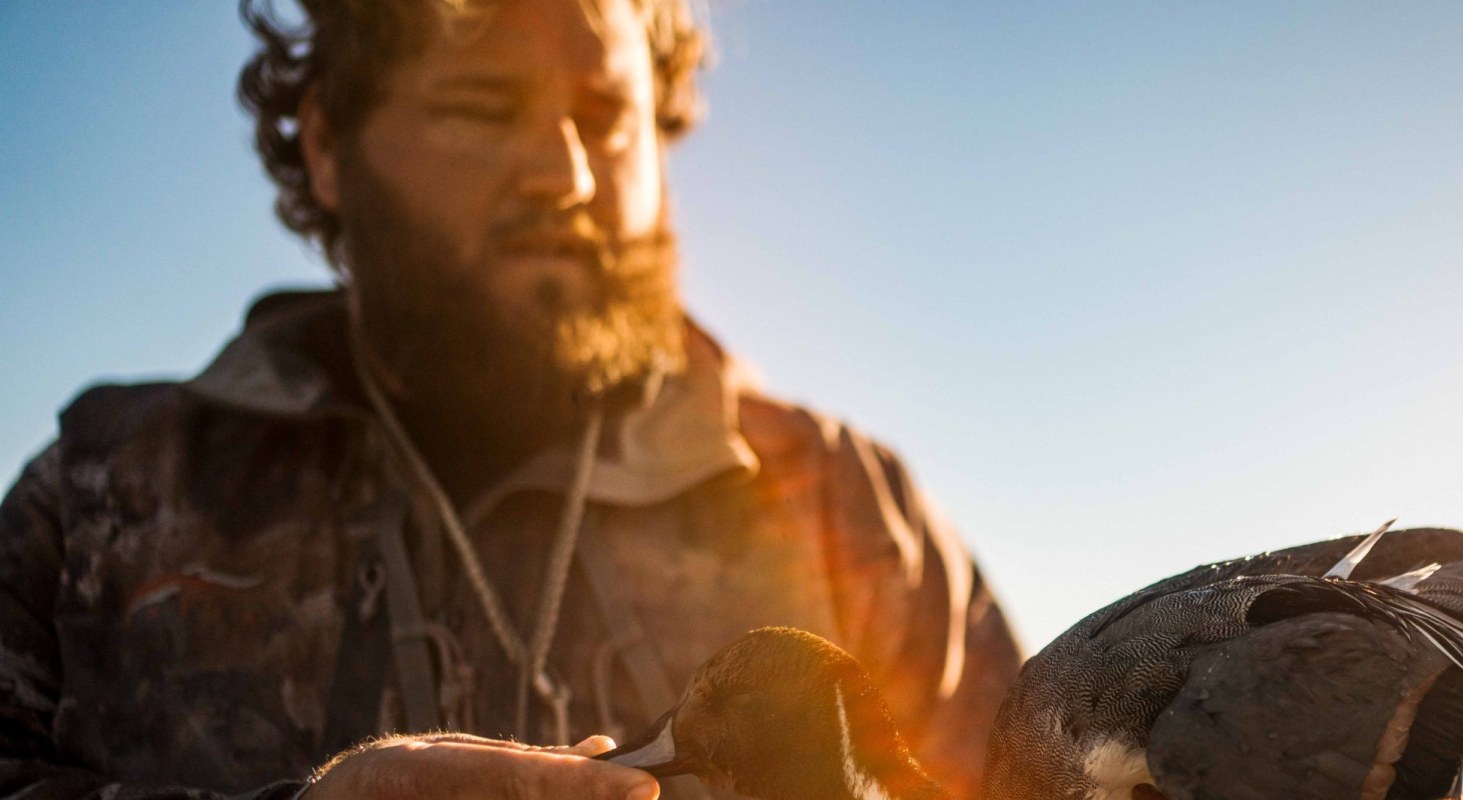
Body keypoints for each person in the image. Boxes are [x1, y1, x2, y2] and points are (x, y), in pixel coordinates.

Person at [0, 1, 1022, 799]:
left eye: (608, 114)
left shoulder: (849, 511)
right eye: (486, 106)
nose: (568, 174)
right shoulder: (102, 493)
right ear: (325, 142)